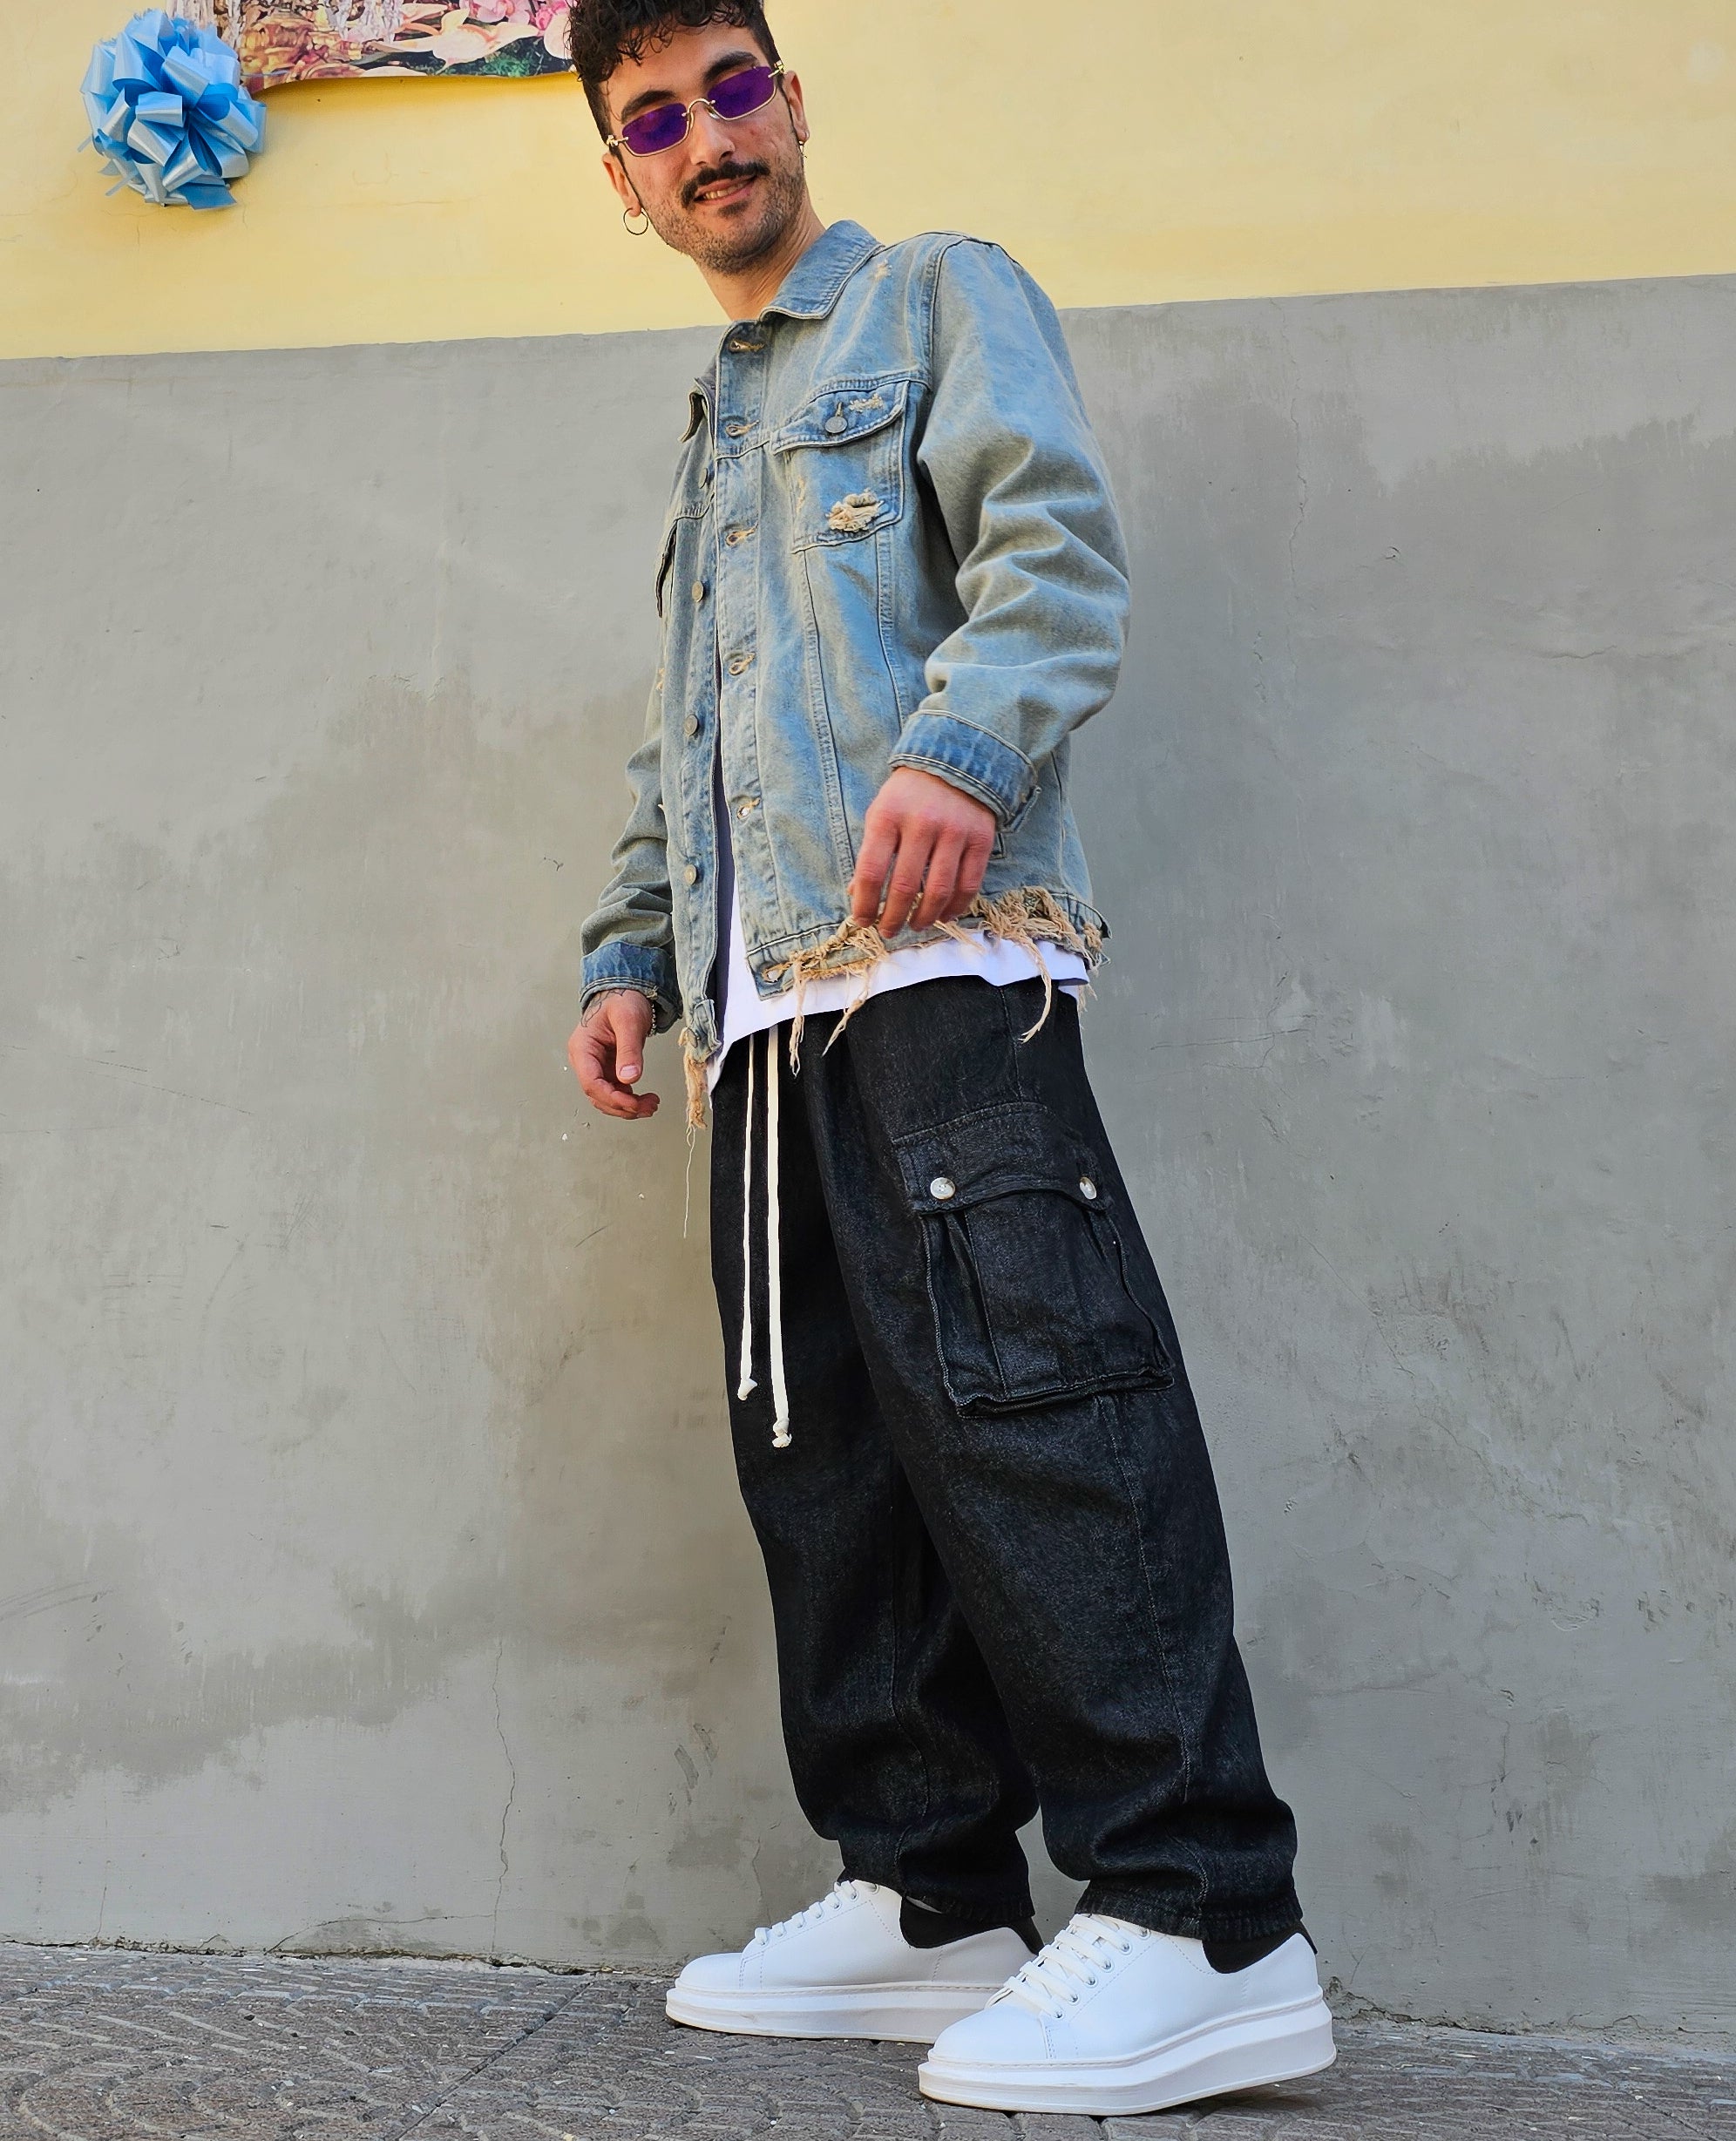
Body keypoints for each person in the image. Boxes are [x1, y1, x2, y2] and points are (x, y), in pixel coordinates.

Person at [564, 0, 1333, 2115]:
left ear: (792, 100)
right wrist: (632, 948)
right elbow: (684, 737)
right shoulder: (716, 426)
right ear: (623, 180)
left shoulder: (934, 297)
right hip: (760, 1018)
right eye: (657, 119)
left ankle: (1206, 1910)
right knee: (827, 1462)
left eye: (733, 88)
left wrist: (964, 748)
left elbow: (1050, 551)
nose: (709, 138)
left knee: (1038, 1410)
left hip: (931, 957)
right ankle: (928, 1892)